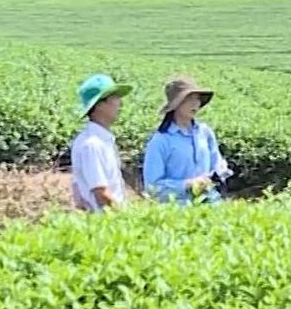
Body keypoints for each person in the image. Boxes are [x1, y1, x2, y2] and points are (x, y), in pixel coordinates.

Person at [143, 75, 232, 205]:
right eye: (189, 99)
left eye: (197, 99)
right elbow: (153, 187)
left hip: (211, 203)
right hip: (178, 210)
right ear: (176, 105)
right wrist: (187, 185)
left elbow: (217, 163)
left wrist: (218, 175)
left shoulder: (205, 132)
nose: (195, 104)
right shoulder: (160, 141)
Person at [70, 73, 133, 212]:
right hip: (105, 220)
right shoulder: (92, 144)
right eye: (114, 98)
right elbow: (101, 193)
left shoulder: (102, 139)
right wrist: (125, 216)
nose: (119, 103)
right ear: (99, 105)